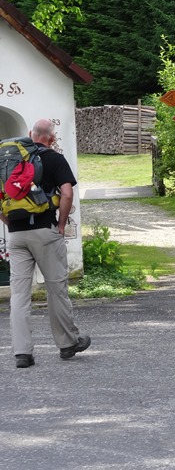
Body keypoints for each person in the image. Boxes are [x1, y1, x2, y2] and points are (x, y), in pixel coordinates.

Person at [1, 119, 90, 368]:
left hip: (16, 235)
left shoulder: (9, 161)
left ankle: (22, 353)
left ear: (30, 134)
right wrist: (60, 225)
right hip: (45, 232)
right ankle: (67, 343)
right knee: (56, 288)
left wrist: (10, 223)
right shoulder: (54, 159)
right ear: (52, 138)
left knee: (19, 294)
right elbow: (67, 194)